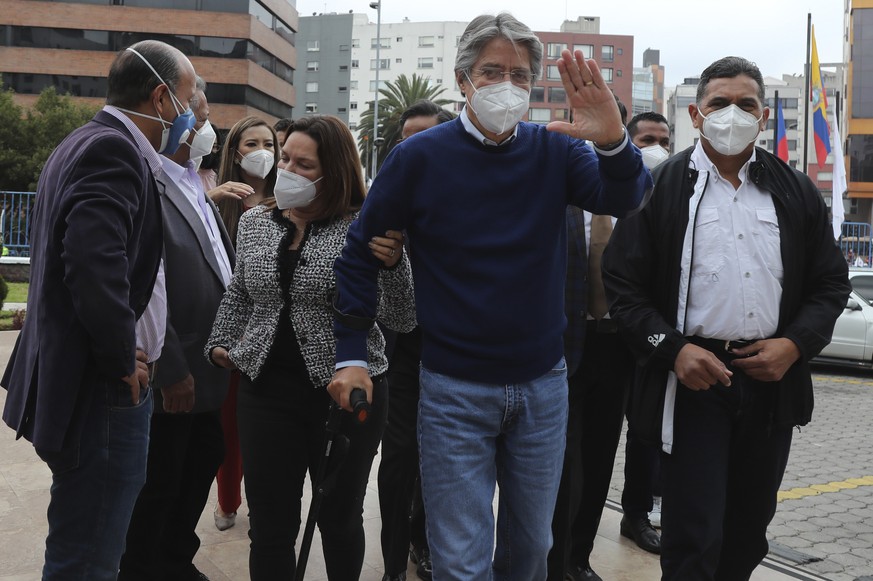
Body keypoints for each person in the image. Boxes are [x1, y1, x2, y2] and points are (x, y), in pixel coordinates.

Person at [331, 13, 651, 580]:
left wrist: (615, 142)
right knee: (461, 559)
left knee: (531, 552)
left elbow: (623, 198)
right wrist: (351, 353)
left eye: (521, 75)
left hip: (543, 386)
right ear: (463, 79)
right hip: (453, 387)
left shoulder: (556, 149)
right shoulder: (418, 157)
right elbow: (358, 253)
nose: (508, 85)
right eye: (492, 71)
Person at [602, 56, 850, 581]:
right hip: (693, 381)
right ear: (696, 114)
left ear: (764, 117)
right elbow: (623, 288)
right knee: (694, 534)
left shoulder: (795, 190)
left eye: (746, 104)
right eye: (719, 104)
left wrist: (796, 345)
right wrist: (673, 350)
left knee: (749, 529)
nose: (732, 114)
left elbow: (830, 283)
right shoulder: (660, 188)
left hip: (771, 379)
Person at [0, 39, 196, 580]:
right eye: (187, 98)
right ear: (161, 99)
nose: (190, 116)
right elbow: (91, 265)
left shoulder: (84, 141)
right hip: (103, 391)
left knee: (82, 542)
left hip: (87, 386)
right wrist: (118, 360)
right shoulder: (115, 150)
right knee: (88, 557)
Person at [205, 115, 416, 580]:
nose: (288, 171)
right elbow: (241, 292)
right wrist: (222, 340)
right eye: (285, 159)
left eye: (304, 165)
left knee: (339, 520)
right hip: (265, 395)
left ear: (334, 173)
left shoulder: (366, 227)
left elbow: (402, 317)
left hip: (344, 396)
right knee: (271, 528)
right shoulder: (257, 222)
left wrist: (396, 262)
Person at [119, 77, 234, 581]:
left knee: (201, 459)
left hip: (209, 367)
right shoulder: (150, 181)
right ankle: (145, 567)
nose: (205, 129)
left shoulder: (196, 181)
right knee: (161, 482)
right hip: (176, 370)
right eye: (199, 116)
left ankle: (173, 560)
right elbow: (148, 284)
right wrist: (170, 367)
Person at [378, 99, 455, 581]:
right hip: (399, 351)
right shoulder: (384, 205)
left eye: (427, 136)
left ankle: (425, 541)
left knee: (442, 458)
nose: (416, 147)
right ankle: (393, 560)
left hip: (454, 352)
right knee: (400, 454)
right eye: (407, 138)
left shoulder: (471, 203)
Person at [207, 115, 279, 531]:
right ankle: (228, 499)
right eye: (251, 143)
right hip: (232, 333)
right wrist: (209, 200)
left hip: (274, 333)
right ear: (236, 152)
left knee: (268, 430)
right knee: (229, 423)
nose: (261, 151)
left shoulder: (290, 200)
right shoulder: (220, 203)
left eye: (268, 142)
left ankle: (265, 503)